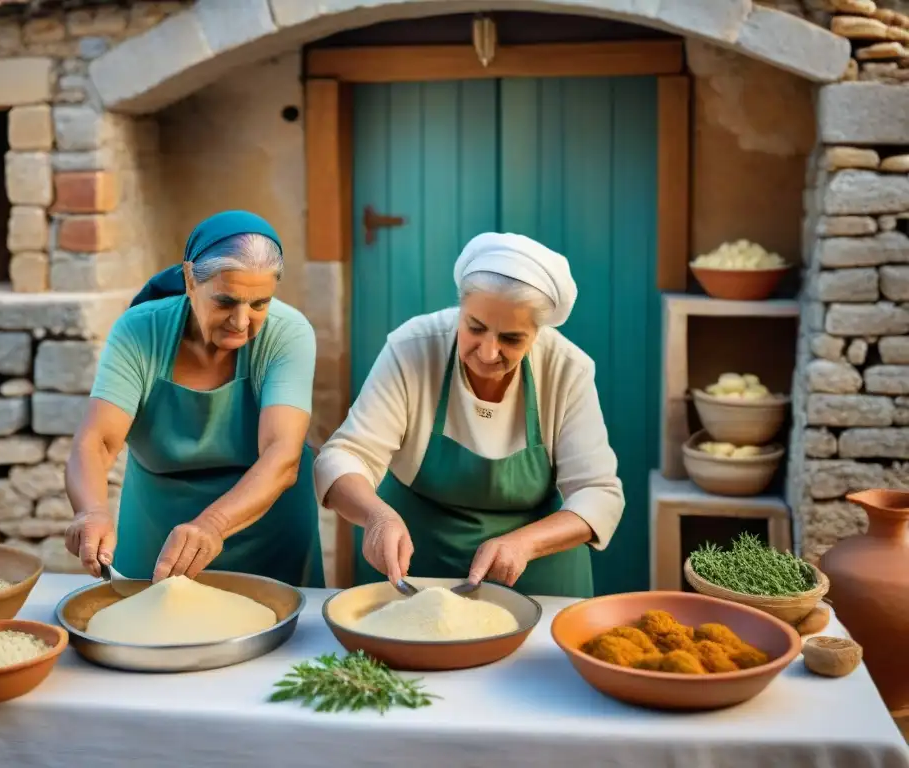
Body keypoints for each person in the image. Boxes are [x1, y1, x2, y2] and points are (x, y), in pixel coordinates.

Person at [314, 232, 624, 598]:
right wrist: (376, 516)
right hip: (414, 572)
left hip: (535, 581)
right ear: (461, 307)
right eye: (475, 328)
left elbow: (598, 494)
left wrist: (524, 544)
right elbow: (344, 455)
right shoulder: (414, 348)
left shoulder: (566, 369)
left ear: (537, 332)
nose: (489, 352)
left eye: (511, 339)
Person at [64, 210, 324, 588]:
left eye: (259, 304)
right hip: (157, 527)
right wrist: (90, 510)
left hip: (266, 524)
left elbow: (281, 457)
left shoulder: (289, 334)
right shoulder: (140, 331)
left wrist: (214, 524)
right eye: (225, 302)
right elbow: (97, 442)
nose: (240, 321)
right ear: (190, 280)